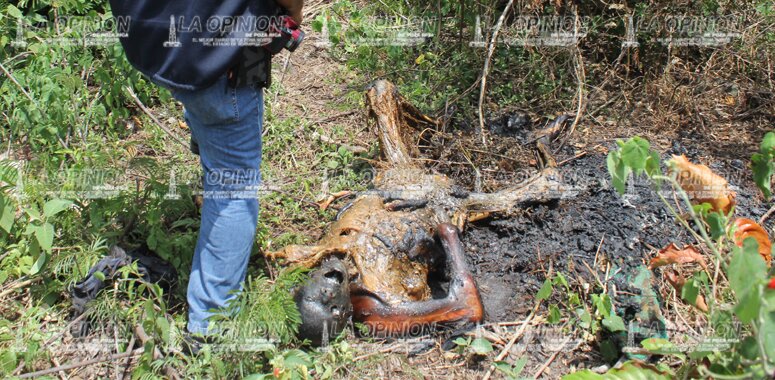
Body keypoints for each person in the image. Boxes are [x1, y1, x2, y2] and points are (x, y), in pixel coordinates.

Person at [110, 0, 303, 339]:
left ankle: (207, 135)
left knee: (203, 106)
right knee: (234, 186)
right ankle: (209, 327)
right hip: (220, 61)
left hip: (156, 46)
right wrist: (293, 14)